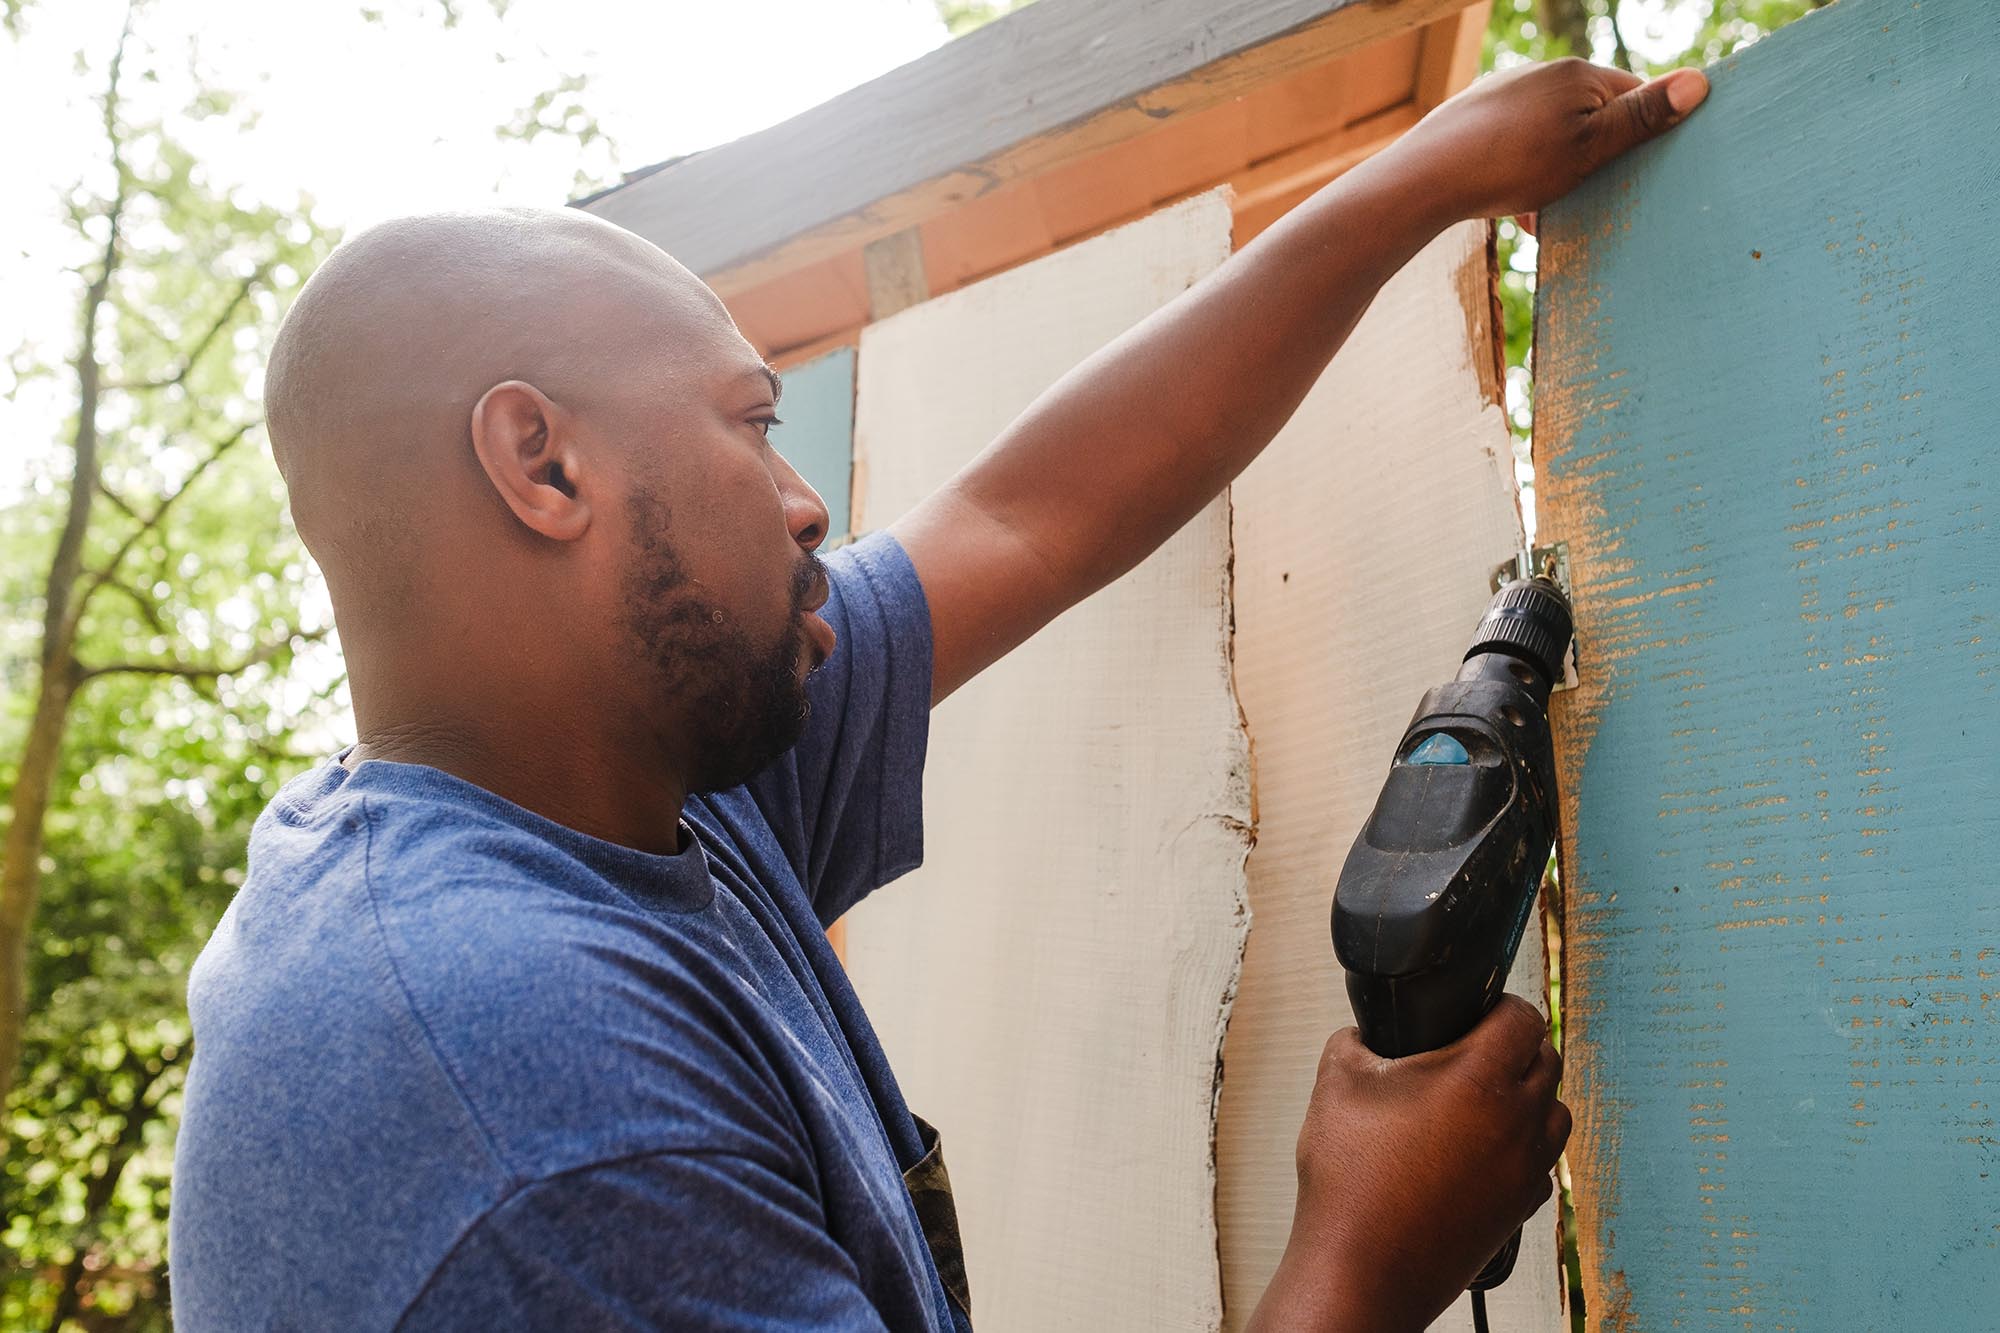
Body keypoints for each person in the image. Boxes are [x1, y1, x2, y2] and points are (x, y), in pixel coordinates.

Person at [168, 57, 1706, 1331]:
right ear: (544, 465)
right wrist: (1366, 1258)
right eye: (749, 422)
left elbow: (1028, 515)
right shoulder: (523, 1094)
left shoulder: (627, 782)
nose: (802, 499)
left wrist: (1423, 175)